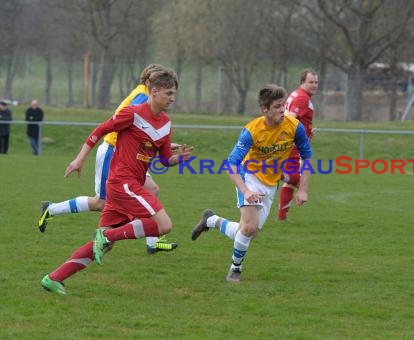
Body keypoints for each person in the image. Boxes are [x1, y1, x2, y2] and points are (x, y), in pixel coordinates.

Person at [41, 68, 192, 295]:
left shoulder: (166, 124)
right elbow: (100, 130)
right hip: (122, 182)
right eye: (168, 93)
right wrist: (80, 158)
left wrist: (176, 160)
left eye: (174, 94)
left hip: (131, 184)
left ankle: (54, 278)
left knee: (105, 246)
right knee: (164, 225)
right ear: (155, 91)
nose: (172, 98)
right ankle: (107, 235)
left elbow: (163, 159)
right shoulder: (132, 113)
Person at [190, 84, 313, 282]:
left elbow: (307, 157)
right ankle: (235, 269)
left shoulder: (294, 127)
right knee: (248, 228)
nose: (283, 110)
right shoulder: (251, 131)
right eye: (277, 106)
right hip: (250, 177)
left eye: (283, 105)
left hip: (271, 184)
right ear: (265, 109)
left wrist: (303, 190)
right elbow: (231, 163)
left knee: (250, 231)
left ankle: (211, 220)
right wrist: (246, 190)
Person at [277, 69, 318, 220]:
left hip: (293, 141)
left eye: (316, 82)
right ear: (302, 82)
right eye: (310, 82)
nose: (314, 85)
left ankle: (282, 216)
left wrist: (307, 131)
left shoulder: (297, 94)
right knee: (298, 180)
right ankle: (274, 173)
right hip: (294, 144)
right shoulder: (302, 98)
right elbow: (289, 119)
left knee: (294, 181)